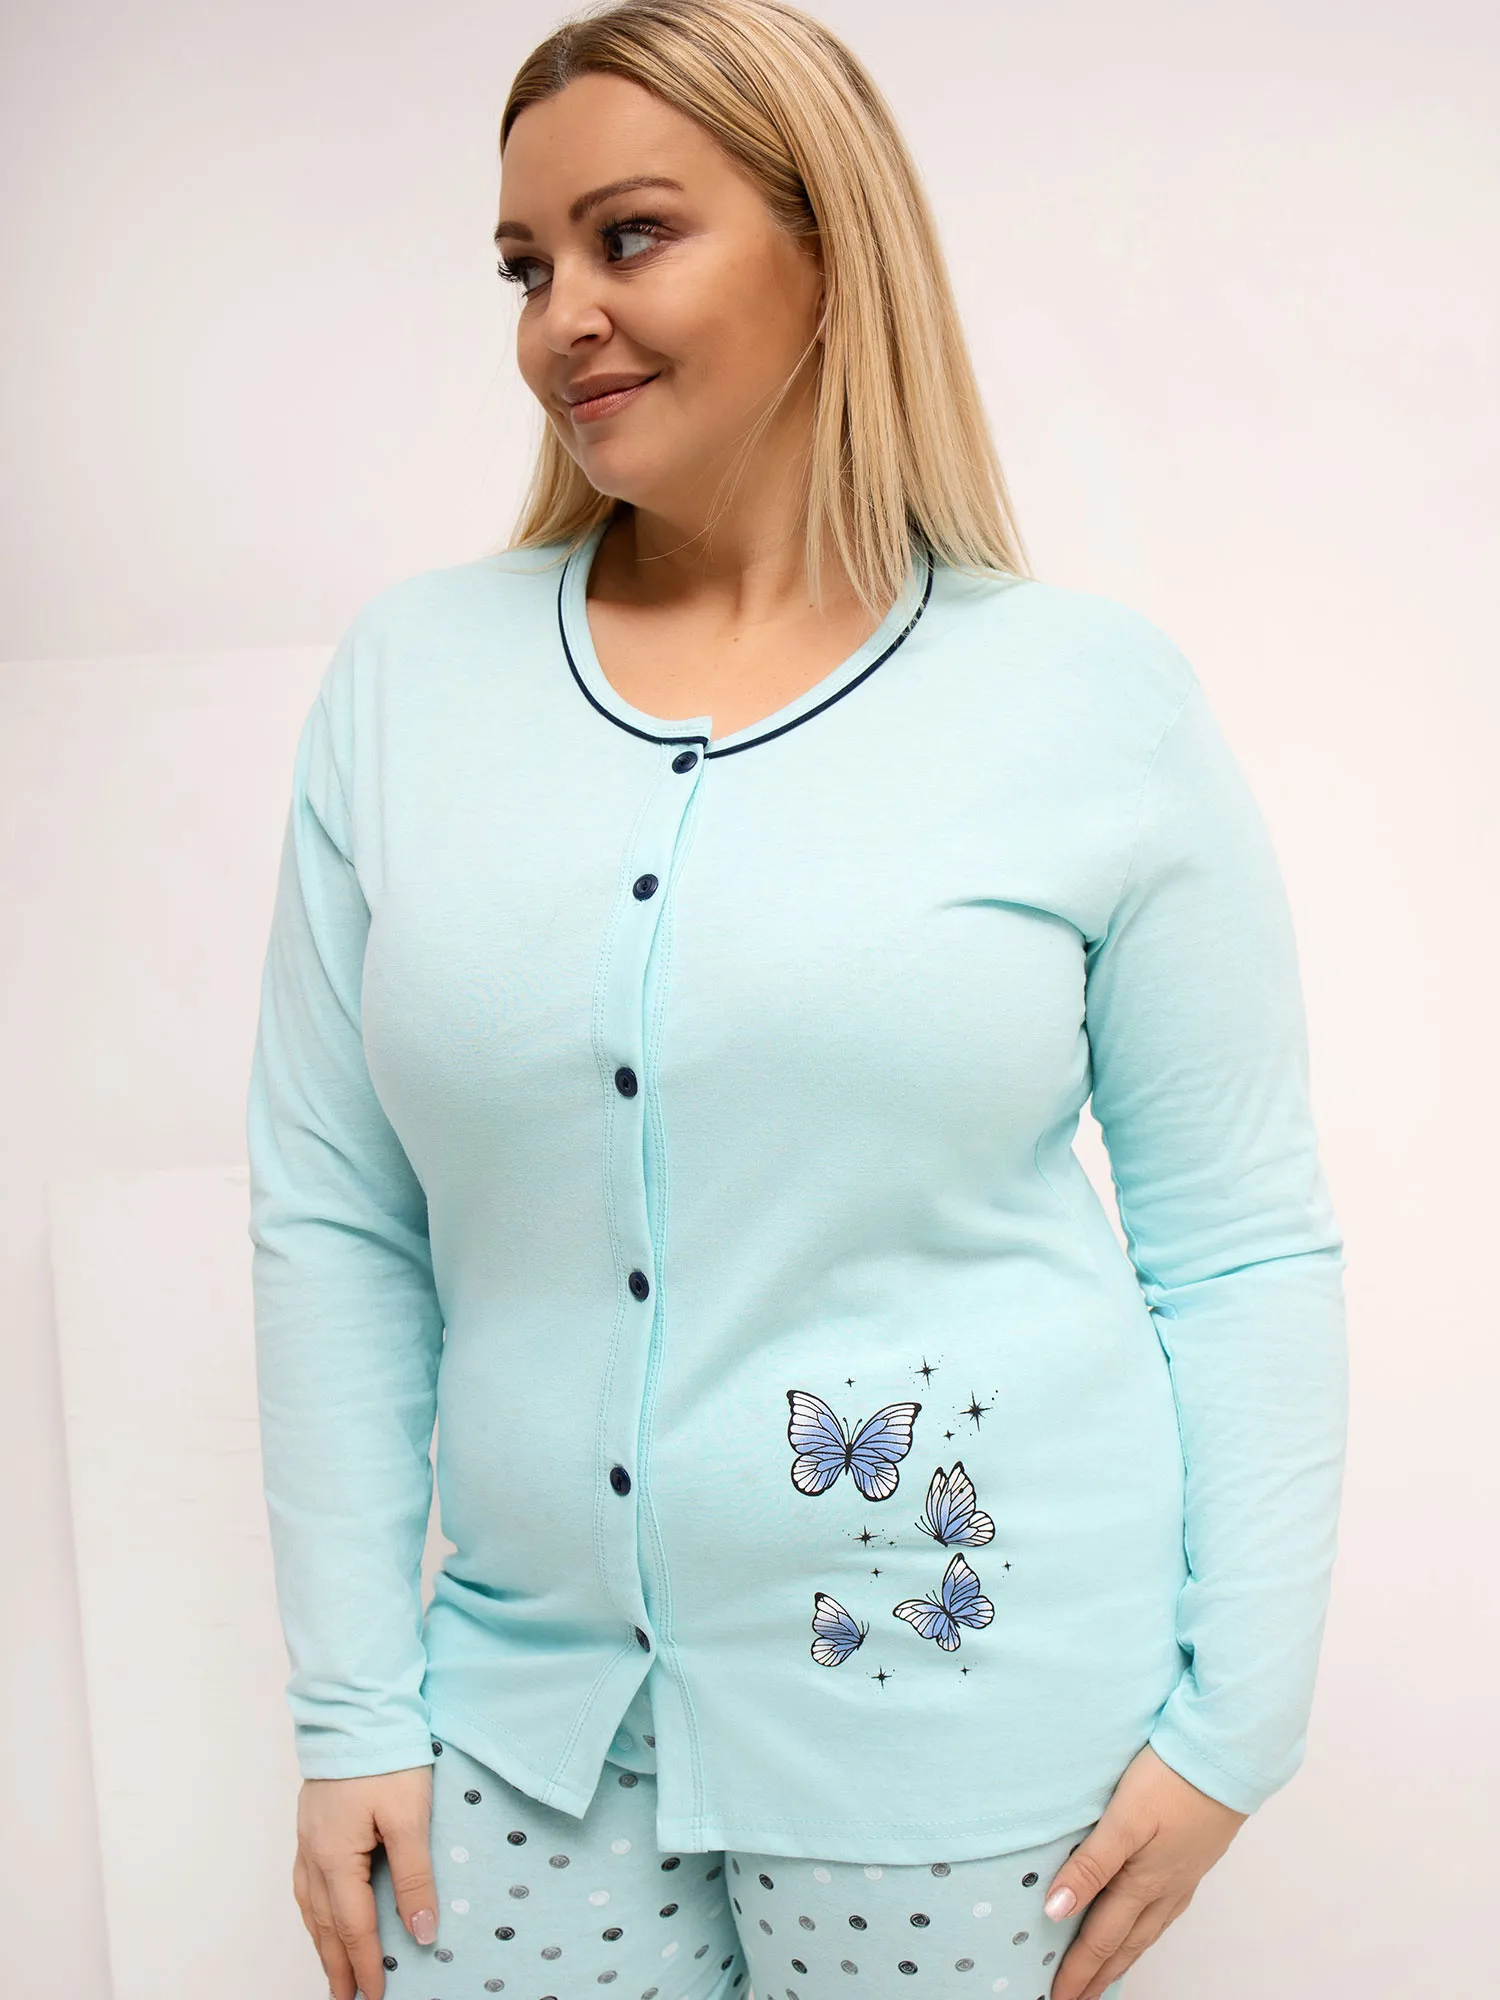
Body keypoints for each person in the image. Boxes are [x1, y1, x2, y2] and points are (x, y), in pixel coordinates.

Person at [244, 4, 1349, 1999]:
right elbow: (336, 1217)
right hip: (518, 1713)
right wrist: (350, 1705)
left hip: (965, 1719)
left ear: (829, 244)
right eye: (524, 265)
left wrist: (1234, 1730)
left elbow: (1239, 1238)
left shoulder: (1087, 701)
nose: (563, 316)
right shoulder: (410, 684)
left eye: (631, 235)